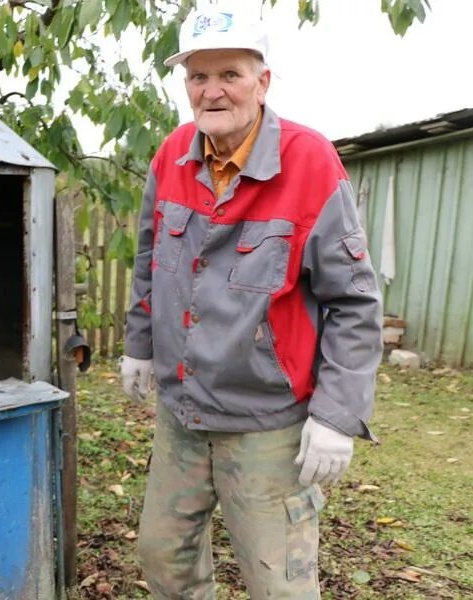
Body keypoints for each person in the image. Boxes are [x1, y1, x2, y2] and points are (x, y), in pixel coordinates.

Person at [119, 3, 383, 598]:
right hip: (182, 412)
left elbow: (354, 303)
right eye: (198, 76)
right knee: (162, 557)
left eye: (230, 75)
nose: (212, 92)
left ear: (263, 81)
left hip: (267, 425)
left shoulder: (310, 162)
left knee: (278, 583)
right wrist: (139, 346)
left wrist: (336, 415)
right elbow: (148, 259)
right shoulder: (172, 155)